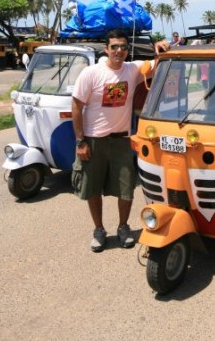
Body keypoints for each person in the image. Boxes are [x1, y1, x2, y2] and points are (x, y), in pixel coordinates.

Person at [71, 29, 170, 252]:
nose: (119, 51)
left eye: (123, 47)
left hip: (122, 141)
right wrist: (80, 141)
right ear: (106, 49)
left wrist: (162, 45)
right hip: (94, 140)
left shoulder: (132, 69)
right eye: (114, 46)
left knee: (126, 188)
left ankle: (124, 228)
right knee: (93, 188)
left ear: (128, 50)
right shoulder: (91, 73)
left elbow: (158, 62)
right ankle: (99, 230)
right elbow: (76, 106)